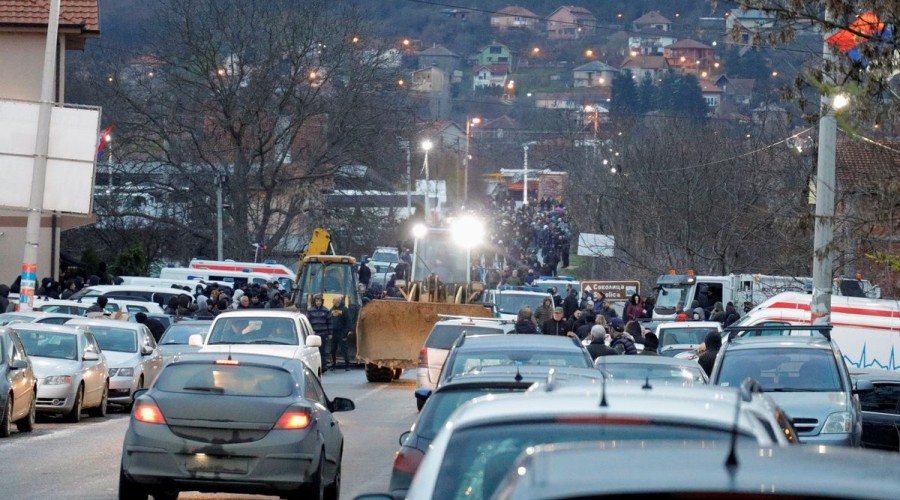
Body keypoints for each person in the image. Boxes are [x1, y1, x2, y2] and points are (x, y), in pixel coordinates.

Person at [307, 294, 332, 371]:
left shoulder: (326, 311)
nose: (318, 302)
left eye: (319, 301)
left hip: (323, 334)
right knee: (313, 352)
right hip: (313, 335)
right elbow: (308, 322)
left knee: (322, 351)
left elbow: (330, 322)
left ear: (322, 302)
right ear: (314, 302)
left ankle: (323, 366)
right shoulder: (310, 311)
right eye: (317, 301)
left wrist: (330, 333)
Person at [329, 296, 352, 371]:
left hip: (342, 332)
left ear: (338, 301)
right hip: (333, 333)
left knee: (344, 349)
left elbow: (349, 322)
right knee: (332, 349)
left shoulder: (345, 310)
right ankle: (333, 365)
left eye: (334, 300)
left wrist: (346, 332)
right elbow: (329, 321)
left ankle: (347, 365)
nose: (333, 302)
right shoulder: (331, 310)